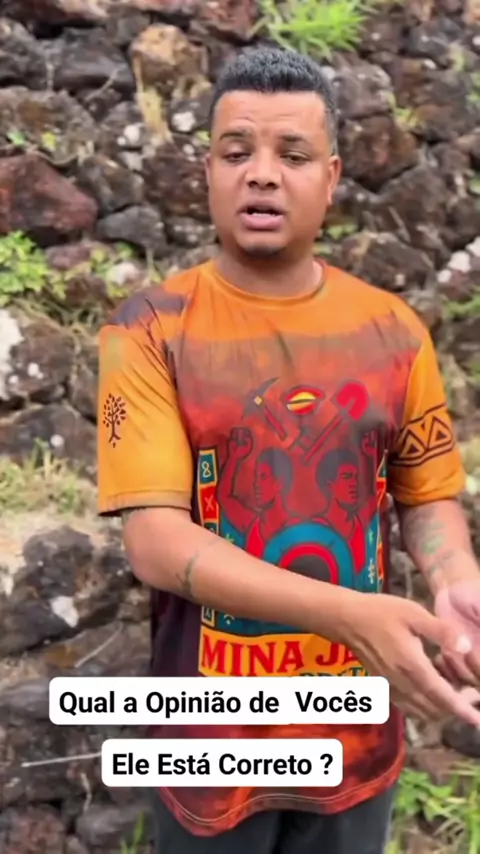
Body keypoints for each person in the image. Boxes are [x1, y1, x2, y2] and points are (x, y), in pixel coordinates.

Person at [97, 47, 480, 854]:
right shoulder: (152, 328)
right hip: (209, 747)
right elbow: (155, 541)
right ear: (207, 172)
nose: (263, 175)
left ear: (332, 177)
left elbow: (426, 496)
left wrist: (455, 582)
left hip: (357, 739)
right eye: (237, 152)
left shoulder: (392, 332)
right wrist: (348, 614)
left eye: (293, 155)